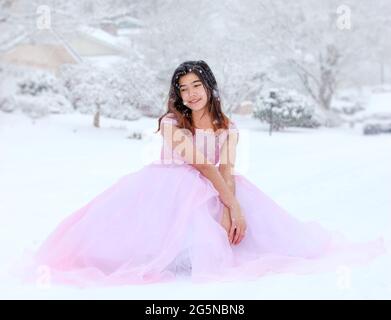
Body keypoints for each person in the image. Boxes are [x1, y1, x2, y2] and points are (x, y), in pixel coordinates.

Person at [18, 60, 386, 287]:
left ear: (209, 86)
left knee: (253, 225)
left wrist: (233, 206)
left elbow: (225, 168)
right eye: (184, 88)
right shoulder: (170, 122)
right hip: (169, 186)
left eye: (197, 85)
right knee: (178, 218)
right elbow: (202, 165)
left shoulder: (227, 125)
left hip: (217, 185)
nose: (191, 93)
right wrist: (231, 206)